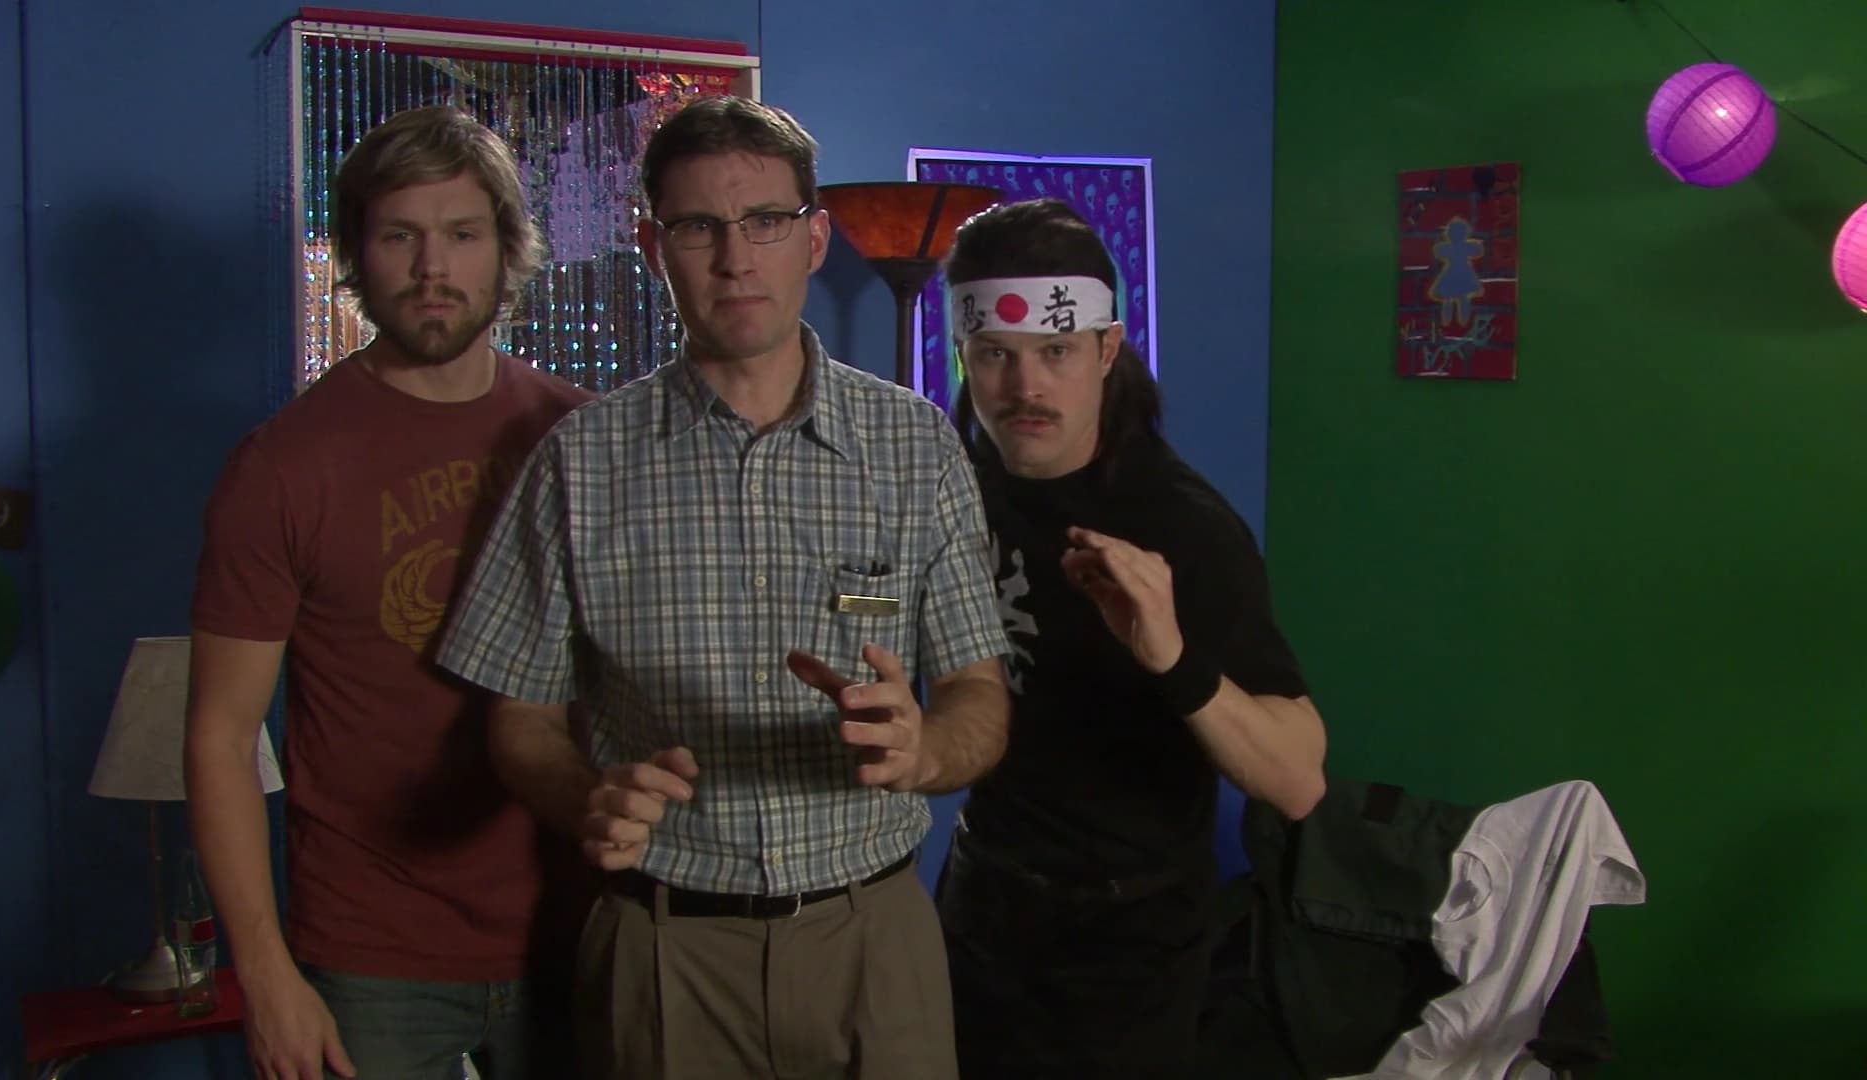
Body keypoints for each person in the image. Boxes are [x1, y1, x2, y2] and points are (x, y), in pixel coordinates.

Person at [433, 94, 1011, 1080]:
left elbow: (978, 696)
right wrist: (587, 798)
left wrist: (926, 751)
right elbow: (519, 720)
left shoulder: (915, 444)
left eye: (765, 221)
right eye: (699, 227)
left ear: (815, 239)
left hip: (872, 940)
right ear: (653, 246)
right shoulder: (580, 461)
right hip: (667, 952)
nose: (736, 258)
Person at [185, 105, 594, 1080]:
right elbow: (220, 737)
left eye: (462, 234)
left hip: (576, 918)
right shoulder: (284, 467)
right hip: (370, 953)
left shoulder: (579, 436)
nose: (432, 268)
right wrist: (265, 975)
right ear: (356, 255)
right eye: (400, 236)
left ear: (508, 249)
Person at [932, 198, 1328, 1078]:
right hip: (981, 905)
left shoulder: (1182, 526)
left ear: (1107, 350)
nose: (1025, 388)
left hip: (1128, 944)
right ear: (964, 354)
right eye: (995, 354)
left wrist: (1173, 658)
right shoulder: (959, 484)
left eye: (1056, 352)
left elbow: (1298, 778)